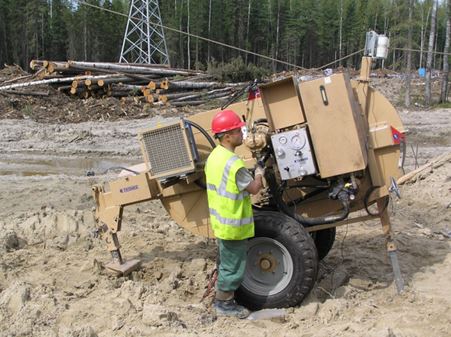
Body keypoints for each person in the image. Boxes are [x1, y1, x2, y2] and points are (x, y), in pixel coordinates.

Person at [204, 109, 264, 318]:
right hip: (233, 224)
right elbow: (254, 189)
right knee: (233, 266)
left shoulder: (215, 157)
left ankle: (224, 299)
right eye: (238, 130)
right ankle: (224, 304)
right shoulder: (233, 163)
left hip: (221, 221)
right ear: (227, 136)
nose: (242, 133)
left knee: (227, 262)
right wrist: (259, 172)